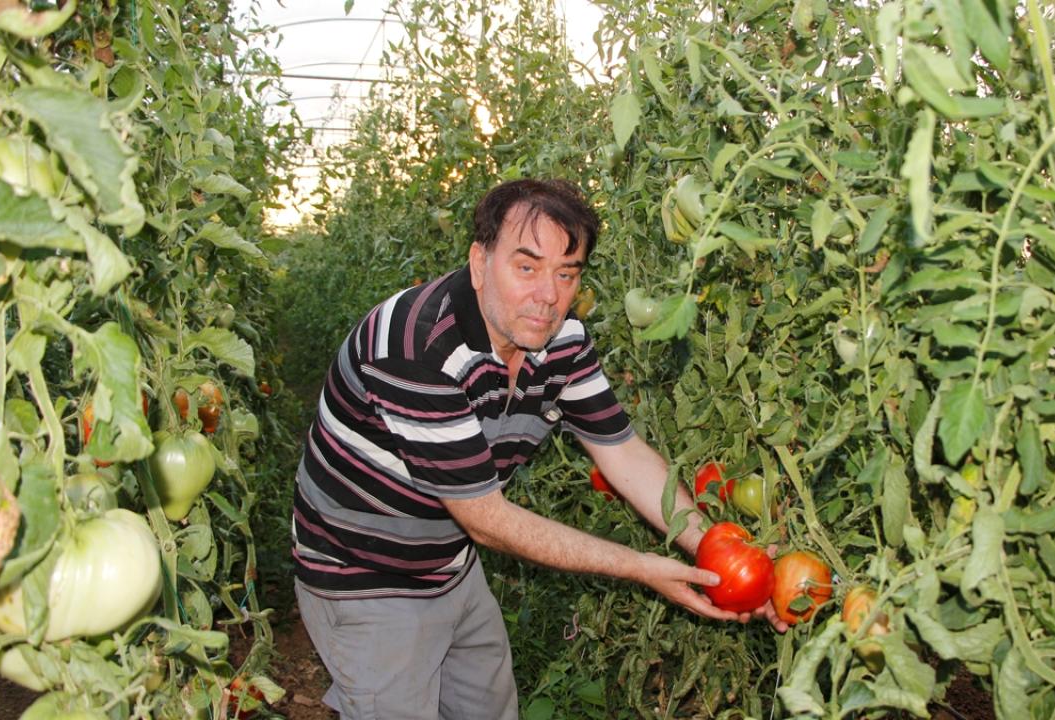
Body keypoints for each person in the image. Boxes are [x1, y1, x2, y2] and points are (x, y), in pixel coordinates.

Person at [291, 178, 786, 720]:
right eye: (526, 267)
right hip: (362, 576)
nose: (548, 295)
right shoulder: (416, 347)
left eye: (566, 273)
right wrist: (641, 566)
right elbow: (485, 519)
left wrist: (719, 556)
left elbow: (623, 454)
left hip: (449, 563)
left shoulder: (561, 340)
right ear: (479, 263)